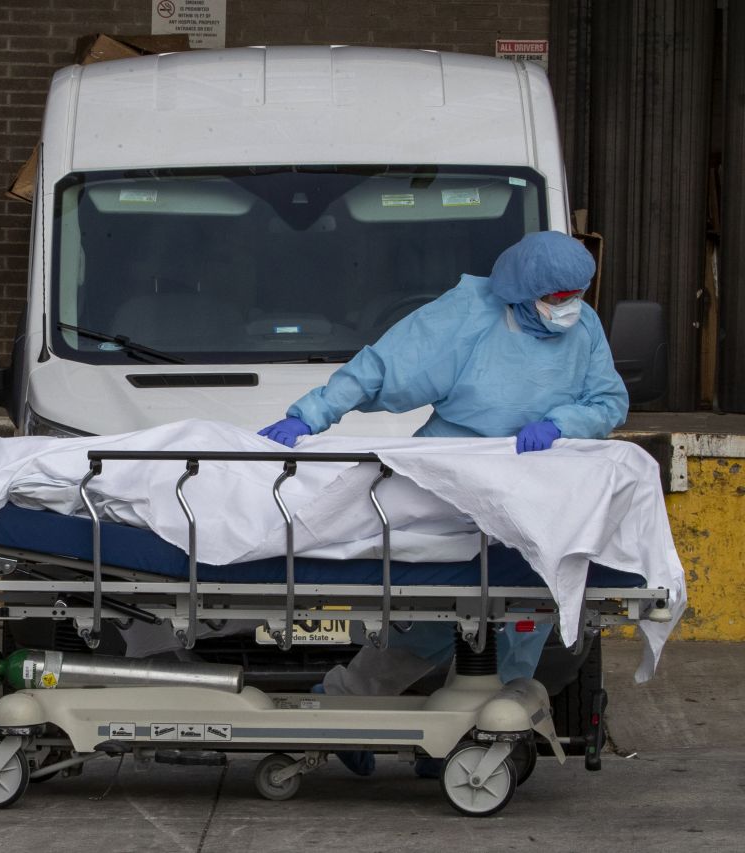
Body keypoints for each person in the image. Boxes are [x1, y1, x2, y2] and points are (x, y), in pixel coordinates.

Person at [258, 230, 628, 776]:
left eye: (576, 294)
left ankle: (473, 735)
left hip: (538, 490)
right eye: (555, 297)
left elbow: (609, 399)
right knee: (432, 616)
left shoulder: (584, 324)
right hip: (454, 479)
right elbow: (381, 367)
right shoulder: (470, 314)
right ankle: (344, 704)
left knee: (526, 615)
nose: (566, 307)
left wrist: (560, 424)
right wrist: (310, 414)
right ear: (521, 291)